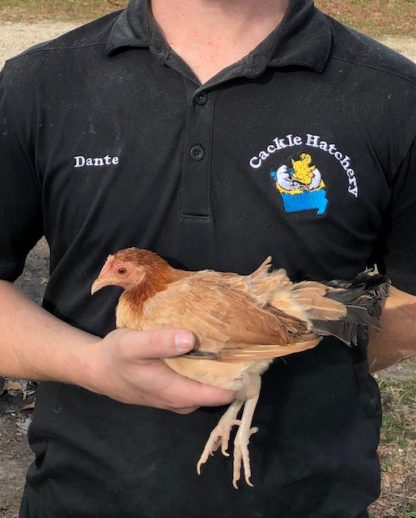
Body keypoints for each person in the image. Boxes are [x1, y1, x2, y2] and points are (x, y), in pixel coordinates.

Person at [0, 0, 415, 516]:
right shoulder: (38, 83)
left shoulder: (396, 96)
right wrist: (92, 365)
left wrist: (281, 350)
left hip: (308, 499)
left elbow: (410, 300)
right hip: (83, 495)